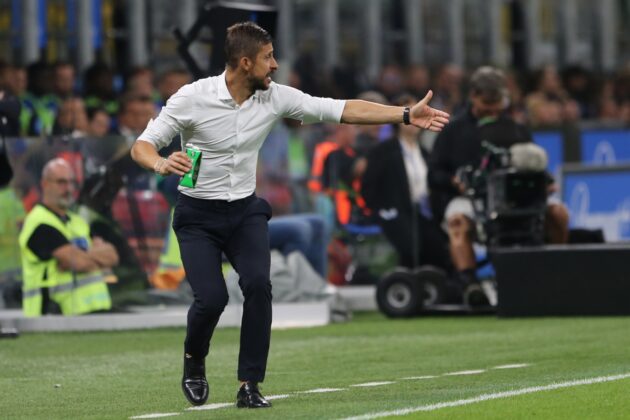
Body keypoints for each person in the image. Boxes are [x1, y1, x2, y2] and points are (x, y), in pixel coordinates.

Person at [130, 21, 449, 409]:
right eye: (268, 57)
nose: (275, 65)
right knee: (211, 300)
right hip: (197, 215)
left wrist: (404, 114)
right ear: (245, 63)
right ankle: (194, 361)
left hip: (244, 211)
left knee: (259, 285)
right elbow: (142, 146)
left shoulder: (275, 97)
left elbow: (340, 109)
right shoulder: (192, 97)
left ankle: (249, 384)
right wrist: (161, 164)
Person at [429, 66, 569, 291]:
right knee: (457, 221)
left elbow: (533, 163)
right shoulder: (452, 131)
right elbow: (434, 173)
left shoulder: (517, 129)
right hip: (471, 198)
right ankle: (470, 284)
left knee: (559, 213)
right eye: (487, 103)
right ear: (473, 96)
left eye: (497, 103)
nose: (493, 110)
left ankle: (554, 271)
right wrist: (453, 182)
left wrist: (547, 182)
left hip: (519, 198)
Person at [361, 93, 451, 272]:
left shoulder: (425, 153)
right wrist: (381, 209)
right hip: (395, 212)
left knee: (438, 245)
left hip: (422, 213)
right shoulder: (382, 151)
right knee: (410, 245)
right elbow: (369, 187)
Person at [18, 158, 119, 316]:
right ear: (45, 184)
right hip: (54, 318)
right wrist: (95, 259)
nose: (69, 188)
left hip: (95, 313)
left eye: (72, 182)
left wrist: (81, 256)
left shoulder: (77, 221)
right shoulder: (39, 223)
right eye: (61, 182)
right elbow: (78, 262)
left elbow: (112, 256)